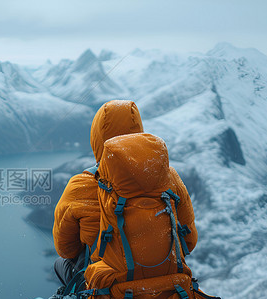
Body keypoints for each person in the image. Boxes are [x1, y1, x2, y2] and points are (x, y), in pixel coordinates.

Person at [53, 100, 198, 287]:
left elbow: (66, 249)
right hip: (169, 289)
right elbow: (189, 242)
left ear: (96, 139)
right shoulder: (169, 178)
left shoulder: (80, 186)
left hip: (108, 295)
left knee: (60, 264)